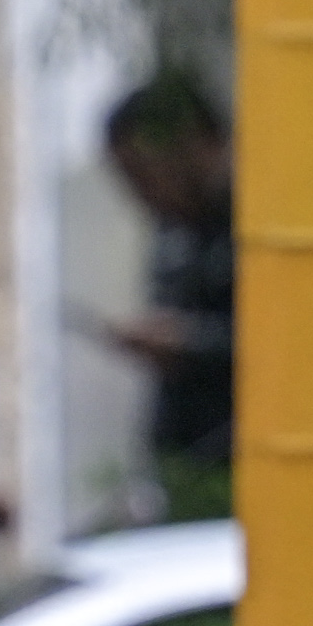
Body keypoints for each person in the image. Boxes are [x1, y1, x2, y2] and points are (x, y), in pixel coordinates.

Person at [100, 70, 236, 506]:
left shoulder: (260, 229)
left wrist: (193, 343)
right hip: (188, 465)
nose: (139, 195)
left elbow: (299, 345)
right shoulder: (173, 235)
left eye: (143, 175)